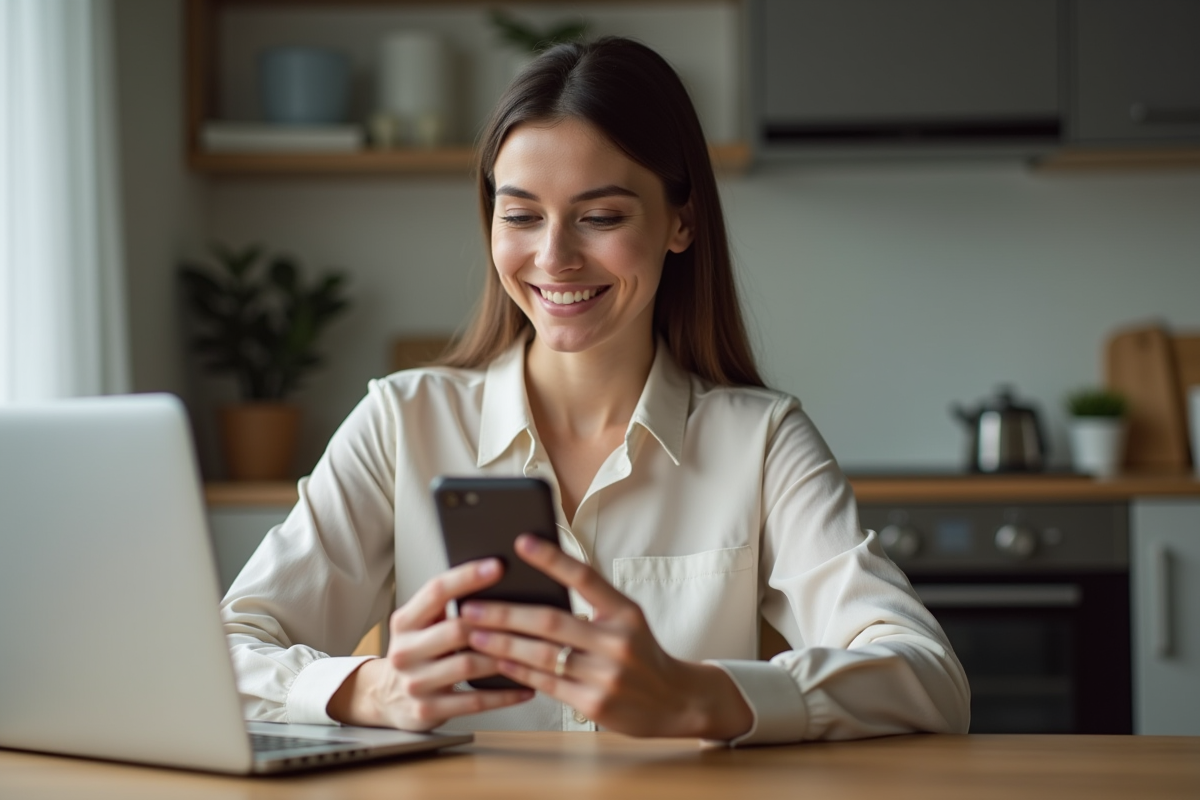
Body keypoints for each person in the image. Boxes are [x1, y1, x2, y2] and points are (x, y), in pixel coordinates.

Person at [220, 36, 970, 745]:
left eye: (601, 217)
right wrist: (371, 690)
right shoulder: (400, 423)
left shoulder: (761, 440)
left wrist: (697, 695)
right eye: (520, 216)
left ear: (681, 221)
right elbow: (223, 652)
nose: (554, 258)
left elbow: (930, 678)